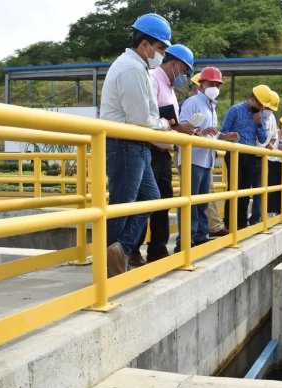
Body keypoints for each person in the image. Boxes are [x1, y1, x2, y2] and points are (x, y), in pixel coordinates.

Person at [100, 13, 176, 277]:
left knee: (151, 198)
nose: (162, 55)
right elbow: (140, 120)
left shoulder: (138, 67)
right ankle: (106, 264)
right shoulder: (131, 69)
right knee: (122, 205)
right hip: (125, 145)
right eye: (160, 48)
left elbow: (144, 118)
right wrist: (166, 126)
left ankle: (119, 249)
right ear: (145, 44)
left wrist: (159, 124)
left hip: (136, 146)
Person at [129, 43, 196, 266]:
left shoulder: (170, 87)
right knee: (145, 202)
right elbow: (149, 117)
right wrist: (177, 128)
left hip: (164, 151)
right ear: (175, 64)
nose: (185, 77)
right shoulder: (153, 79)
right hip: (150, 149)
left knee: (163, 202)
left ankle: (157, 249)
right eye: (185, 71)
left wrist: (179, 128)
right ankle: (133, 250)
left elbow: (169, 122)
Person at [175, 67, 239, 251]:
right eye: (212, 84)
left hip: (206, 159)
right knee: (189, 201)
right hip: (191, 158)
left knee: (202, 202)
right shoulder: (192, 102)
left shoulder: (212, 106)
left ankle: (200, 235)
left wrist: (224, 136)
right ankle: (185, 240)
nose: (215, 87)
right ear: (202, 84)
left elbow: (211, 132)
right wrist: (199, 132)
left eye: (218, 84)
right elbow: (181, 126)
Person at [220, 85, 272, 229]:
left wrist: (260, 124)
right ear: (252, 99)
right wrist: (230, 136)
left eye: (263, 106)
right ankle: (230, 223)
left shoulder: (260, 116)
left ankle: (241, 223)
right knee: (234, 189)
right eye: (259, 104)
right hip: (235, 153)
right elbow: (223, 130)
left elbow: (262, 139)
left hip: (250, 155)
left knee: (245, 191)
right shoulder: (235, 110)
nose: (261, 108)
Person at [249, 90, 279, 225]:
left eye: (271, 109)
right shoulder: (255, 113)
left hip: (262, 157)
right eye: (267, 108)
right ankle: (238, 220)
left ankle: (255, 218)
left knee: (260, 190)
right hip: (249, 155)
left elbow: (274, 137)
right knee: (242, 190)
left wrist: (270, 144)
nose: (268, 110)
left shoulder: (272, 118)